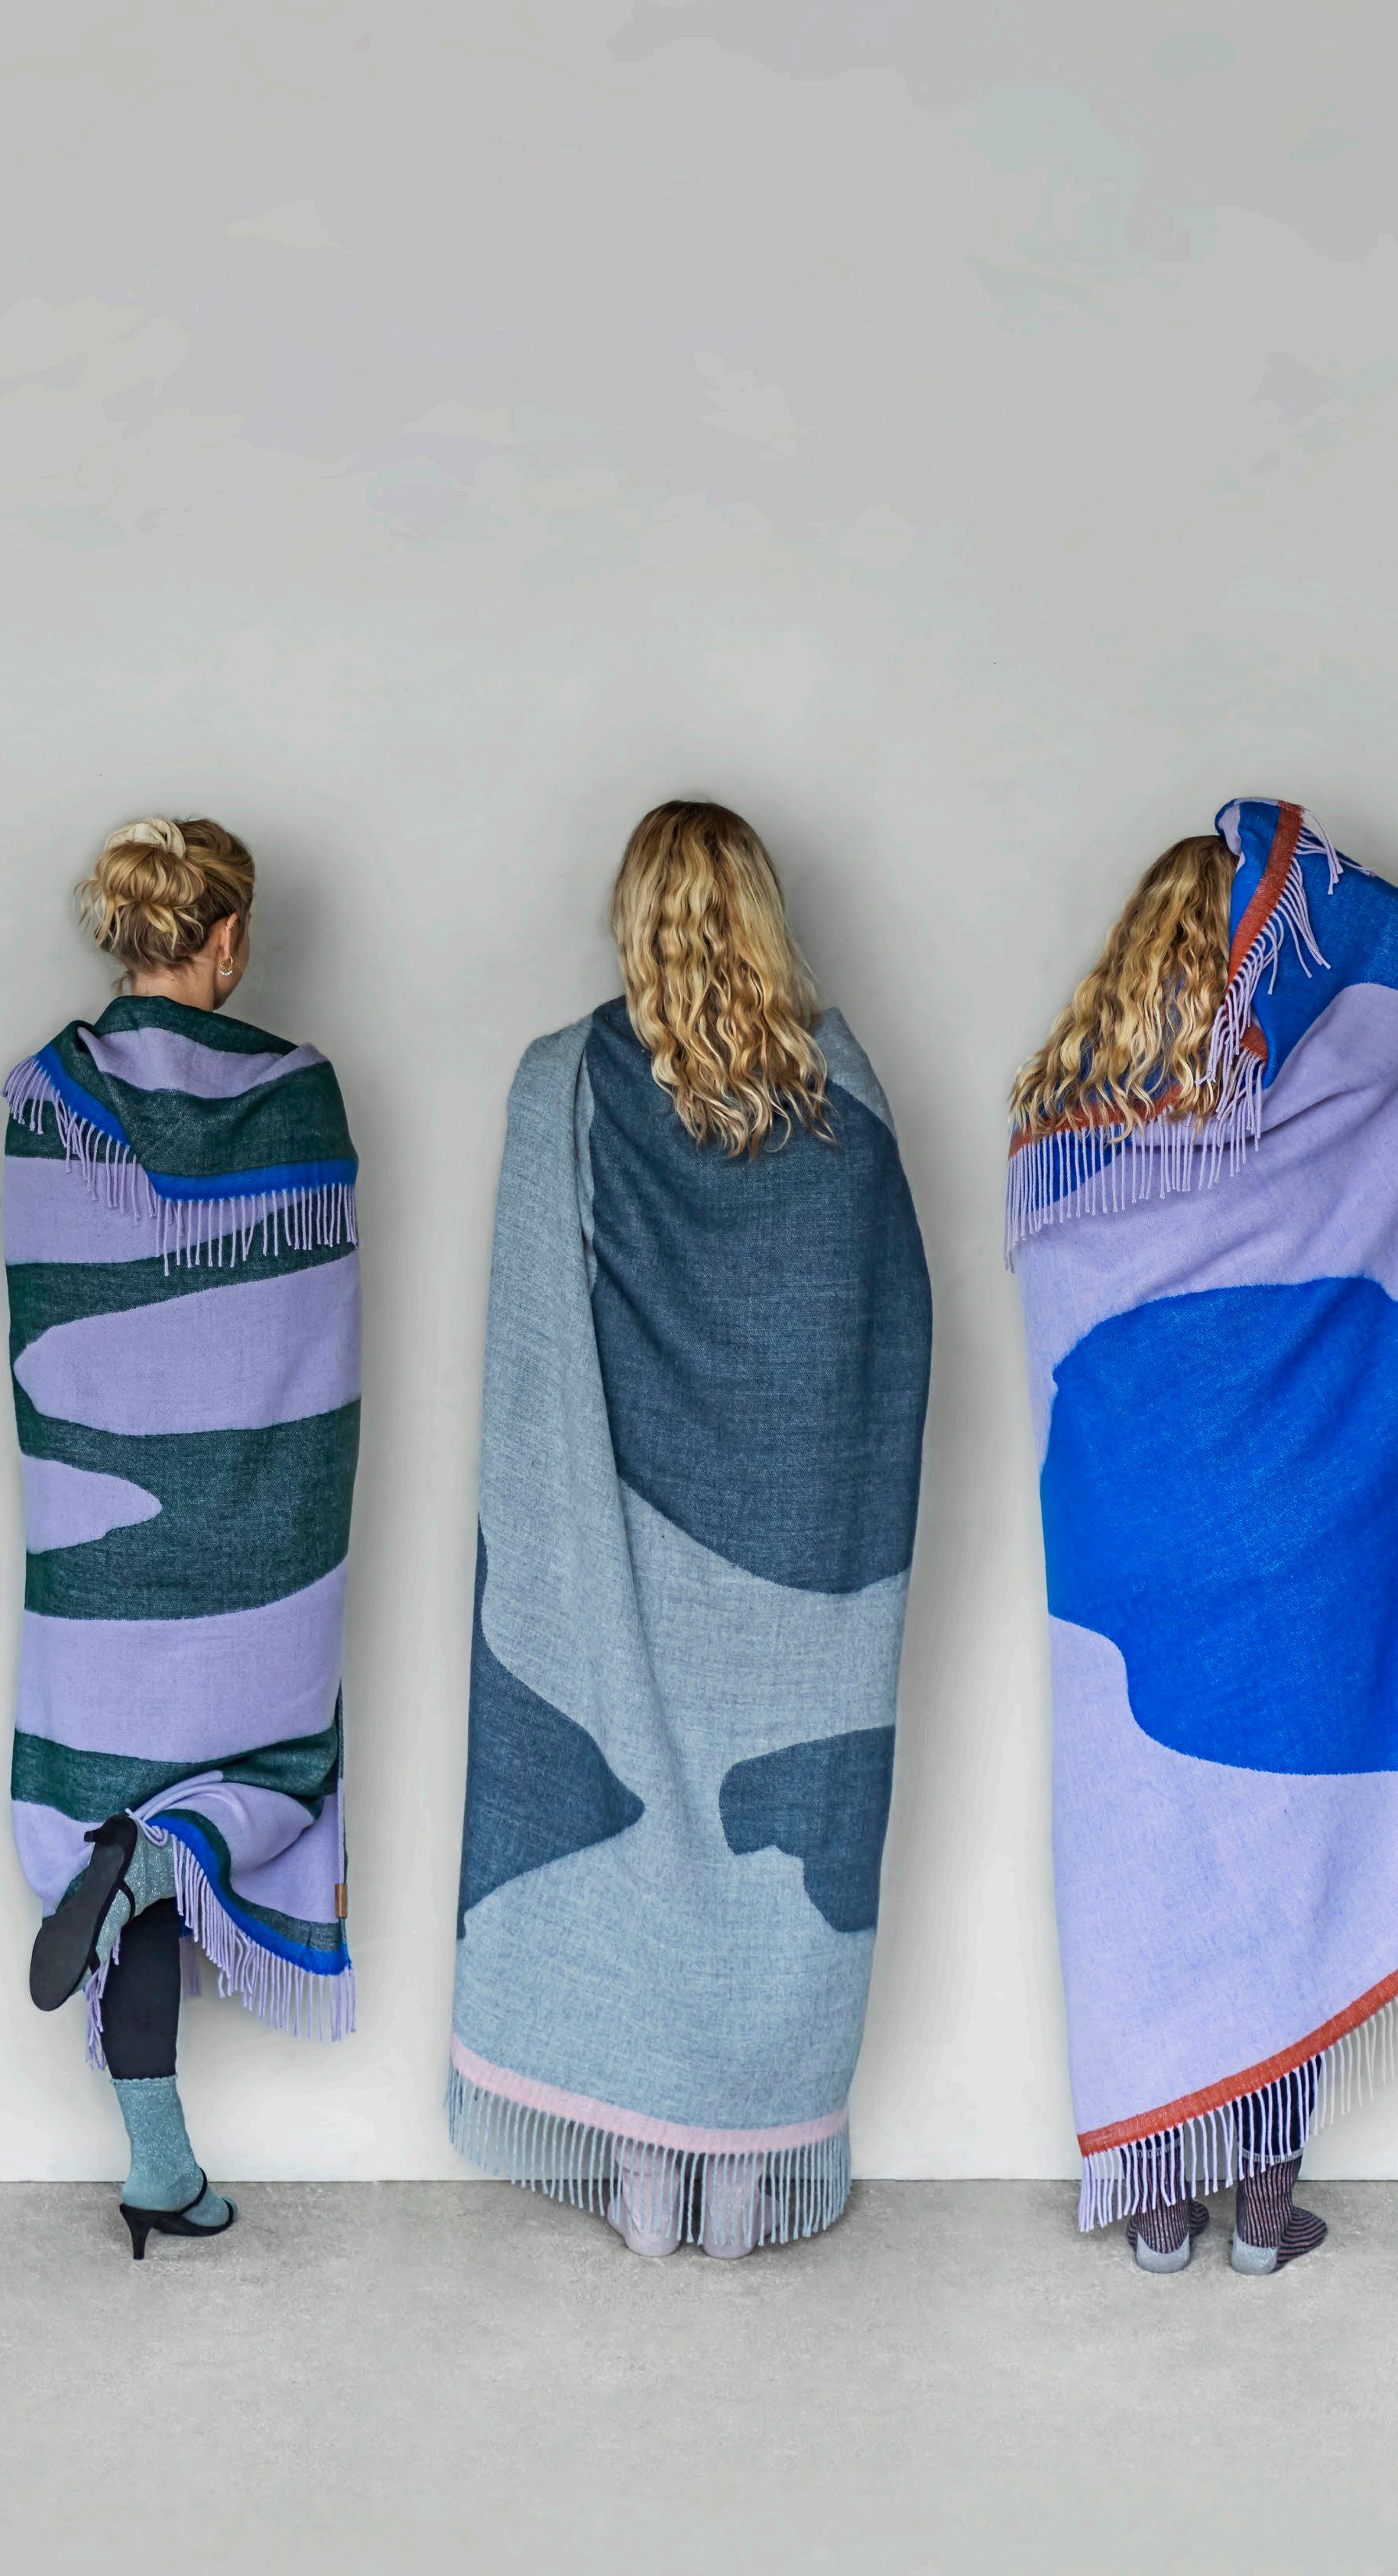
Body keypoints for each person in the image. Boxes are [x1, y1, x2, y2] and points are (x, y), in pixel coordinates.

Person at [449, 800, 931, 2256]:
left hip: (616, 1550)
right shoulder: (842, 1099)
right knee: (771, 1862)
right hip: (801, 1582)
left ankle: (648, 2182)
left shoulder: (563, 1084)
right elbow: (885, 1344)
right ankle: (740, 2184)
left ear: (630, 916)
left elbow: (533, 1355)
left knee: (635, 1841)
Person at [1009, 799, 1398, 2272]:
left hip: (1124, 1552)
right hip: (1299, 1538)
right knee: (1285, 1848)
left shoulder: (1065, 1120)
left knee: (1148, 1859)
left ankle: (1158, 2209)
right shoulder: (1332, 1106)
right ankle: (1262, 2212)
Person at [2, 816, 360, 2256]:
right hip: (260, 1538)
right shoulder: (297, 1092)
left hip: (95, 1552)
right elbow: (311, 1331)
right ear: (225, 935)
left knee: (119, 1804)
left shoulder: (44, 1097)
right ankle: (150, 1871)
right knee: (271, 1772)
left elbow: (49, 1322)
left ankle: (158, 2158)